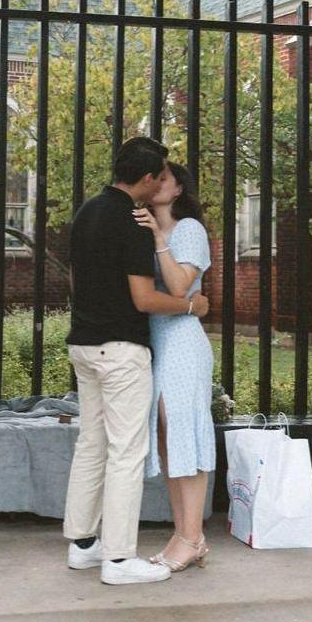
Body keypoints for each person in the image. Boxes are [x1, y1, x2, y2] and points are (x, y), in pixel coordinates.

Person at [64, 137, 210, 586]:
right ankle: (120, 558)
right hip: (120, 350)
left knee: (92, 442)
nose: (162, 183)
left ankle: (83, 545)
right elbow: (145, 299)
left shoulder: (88, 210)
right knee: (126, 451)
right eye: (159, 175)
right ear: (147, 178)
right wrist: (190, 307)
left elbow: (76, 279)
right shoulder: (130, 222)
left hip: (84, 344)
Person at [133, 162, 215, 572]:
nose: (156, 183)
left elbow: (182, 287)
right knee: (166, 436)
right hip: (156, 341)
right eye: (153, 177)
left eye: (164, 177)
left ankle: (192, 535)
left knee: (183, 430)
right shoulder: (143, 228)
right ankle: (184, 533)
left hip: (183, 340)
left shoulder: (188, 231)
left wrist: (158, 239)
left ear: (180, 187)